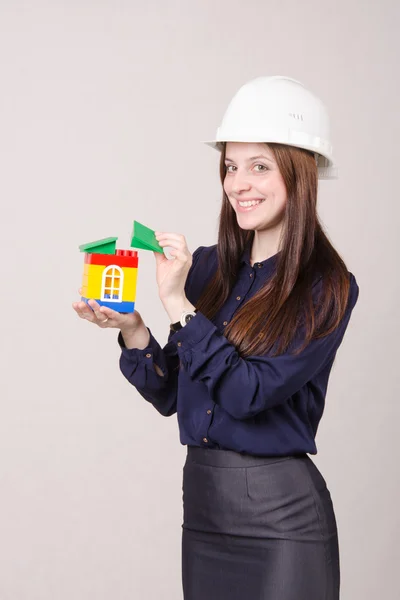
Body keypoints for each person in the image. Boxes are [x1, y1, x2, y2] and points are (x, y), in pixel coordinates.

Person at [72, 75, 359, 599]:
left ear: (303, 172)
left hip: (282, 523)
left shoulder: (326, 286)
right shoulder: (207, 269)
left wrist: (179, 305)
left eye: (259, 166)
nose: (238, 183)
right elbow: (170, 394)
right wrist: (135, 329)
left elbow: (247, 394)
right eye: (230, 166)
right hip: (203, 509)